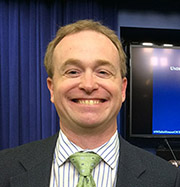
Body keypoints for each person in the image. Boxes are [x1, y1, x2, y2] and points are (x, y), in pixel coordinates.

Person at [0, 19, 179, 187]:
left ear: (123, 89)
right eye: (72, 72)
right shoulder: (4, 169)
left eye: (102, 72)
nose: (88, 85)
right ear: (52, 88)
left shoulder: (169, 180)